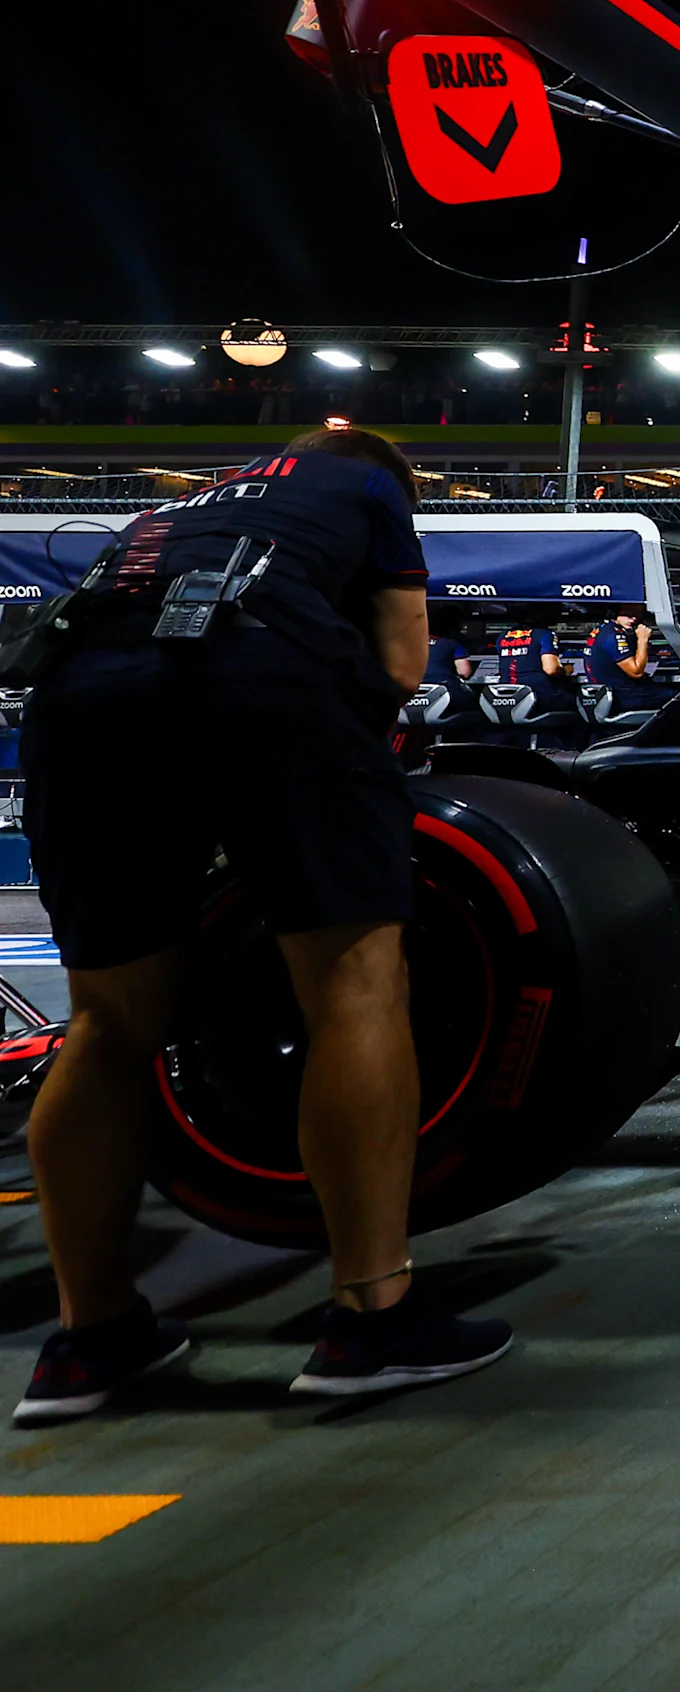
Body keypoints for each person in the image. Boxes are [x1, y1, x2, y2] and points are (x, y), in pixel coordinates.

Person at [15, 426, 514, 1423]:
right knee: (354, 988)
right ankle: (374, 1318)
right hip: (257, 676)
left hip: (78, 697)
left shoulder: (173, 508)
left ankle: (90, 1338)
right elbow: (401, 657)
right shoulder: (369, 484)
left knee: (109, 1024)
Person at [583, 604, 679, 717]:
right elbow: (636, 672)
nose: (633, 618)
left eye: (637, 614)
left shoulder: (602, 630)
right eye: (628, 613)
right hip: (624, 697)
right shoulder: (614, 636)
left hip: (608, 694)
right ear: (615, 612)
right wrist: (642, 639)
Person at [490, 619, 580, 727]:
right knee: (579, 704)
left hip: (506, 698)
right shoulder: (544, 635)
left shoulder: (502, 637)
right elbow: (551, 670)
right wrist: (566, 670)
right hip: (540, 697)